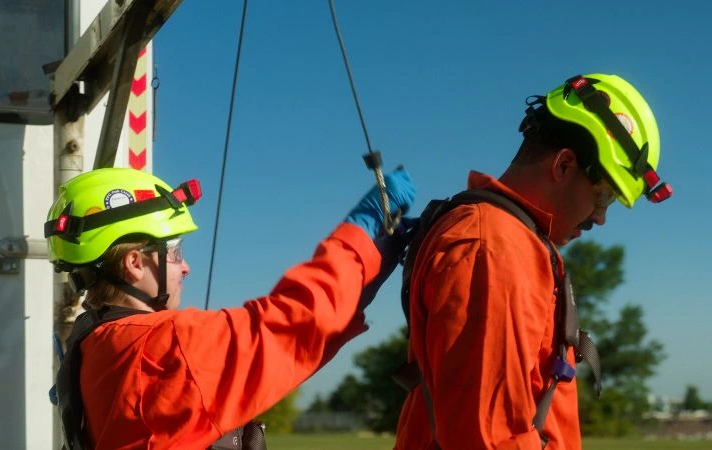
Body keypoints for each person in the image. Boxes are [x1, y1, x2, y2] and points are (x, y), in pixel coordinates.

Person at [44, 166, 416, 449]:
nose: (186, 266)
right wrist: (360, 239)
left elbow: (282, 347)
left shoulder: (100, 342)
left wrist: (361, 278)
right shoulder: (157, 348)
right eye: (174, 253)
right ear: (135, 263)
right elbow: (293, 326)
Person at [393, 74, 672, 449]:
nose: (601, 218)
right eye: (604, 196)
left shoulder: (508, 240)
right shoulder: (493, 249)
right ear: (563, 165)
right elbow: (487, 438)